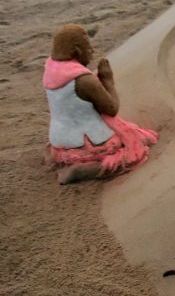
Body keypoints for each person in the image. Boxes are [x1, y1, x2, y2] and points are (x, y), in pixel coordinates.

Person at [43, 24, 158, 184]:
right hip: (88, 144)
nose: (93, 52)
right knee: (131, 152)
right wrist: (108, 81)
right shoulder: (84, 80)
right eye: (89, 49)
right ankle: (82, 170)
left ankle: (66, 162)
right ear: (77, 51)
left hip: (59, 143)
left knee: (140, 137)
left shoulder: (51, 69)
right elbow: (111, 109)